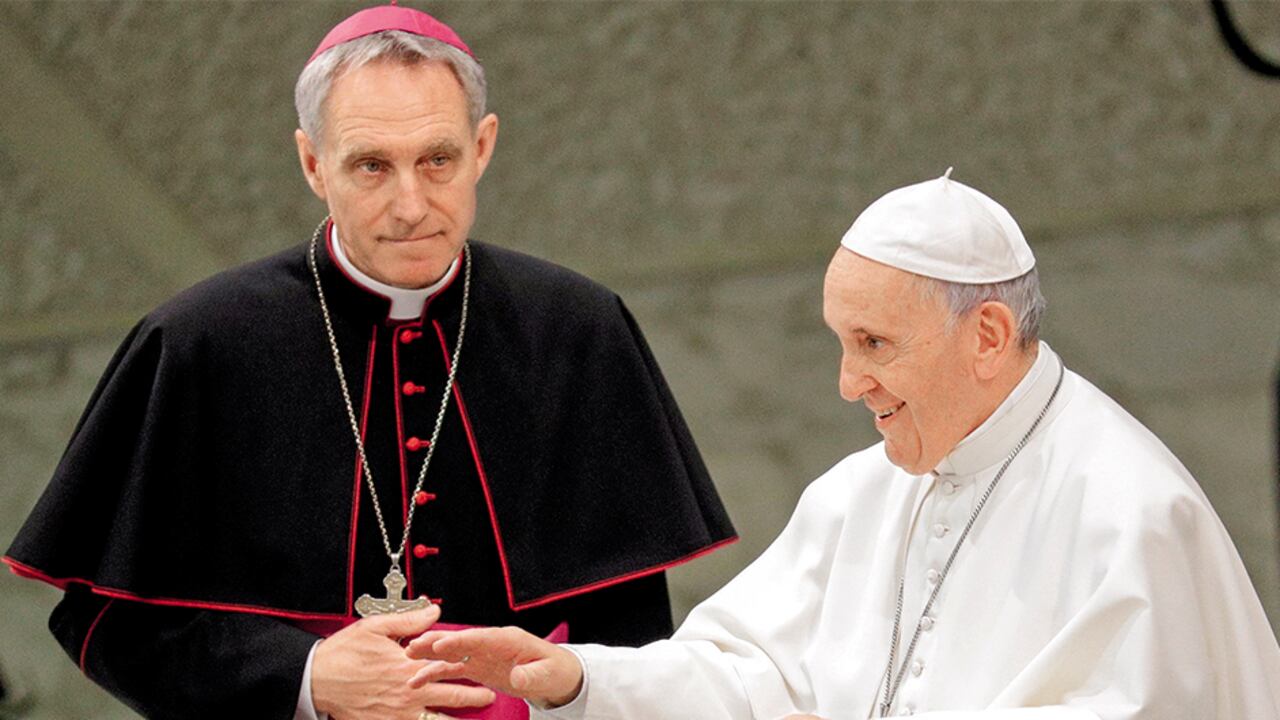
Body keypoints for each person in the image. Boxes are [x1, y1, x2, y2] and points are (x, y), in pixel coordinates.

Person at [2, 5, 736, 720]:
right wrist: (307, 678)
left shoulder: (577, 331)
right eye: (372, 166)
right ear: (314, 163)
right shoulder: (199, 343)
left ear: (482, 147)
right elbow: (105, 624)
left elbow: (631, 626)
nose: (411, 205)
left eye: (438, 160)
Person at [404, 171, 1280, 719]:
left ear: (986, 335)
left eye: (874, 344)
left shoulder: (1130, 511)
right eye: (840, 342)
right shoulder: (863, 495)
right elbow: (747, 678)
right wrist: (572, 679)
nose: (846, 382)